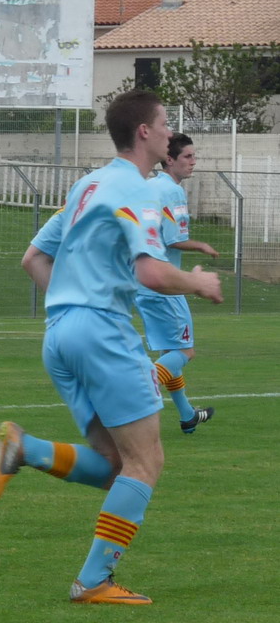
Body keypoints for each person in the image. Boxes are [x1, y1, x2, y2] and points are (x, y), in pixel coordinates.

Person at [0, 90, 223, 605]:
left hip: (60, 333)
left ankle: (25, 449)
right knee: (147, 462)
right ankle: (92, 581)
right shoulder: (137, 189)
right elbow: (150, 272)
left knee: (116, 463)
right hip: (101, 334)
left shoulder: (87, 184)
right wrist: (197, 283)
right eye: (164, 124)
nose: (168, 132)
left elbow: (32, 259)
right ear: (144, 132)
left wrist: (74, 303)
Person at [135, 133, 218, 433]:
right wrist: (201, 246)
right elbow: (174, 239)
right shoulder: (171, 191)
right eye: (187, 157)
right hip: (165, 284)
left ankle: (187, 415)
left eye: (194, 156)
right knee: (184, 353)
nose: (193, 162)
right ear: (169, 160)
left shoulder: (150, 186)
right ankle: (136, 394)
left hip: (144, 282)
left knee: (171, 352)